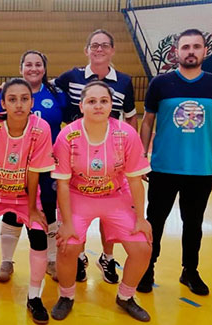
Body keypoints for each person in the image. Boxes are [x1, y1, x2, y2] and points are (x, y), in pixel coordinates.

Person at [51, 81, 152, 322]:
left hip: (115, 197)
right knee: (68, 246)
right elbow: (63, 184)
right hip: (78, 196)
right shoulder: (68, 135)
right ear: (81, 105)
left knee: (142, 247)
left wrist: (141, 218)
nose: (98, 106)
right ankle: (66, 296)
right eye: (92, 101)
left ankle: (126, 297)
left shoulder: (126, 133)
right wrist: (65, 223)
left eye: (104, 101)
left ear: (111, 105)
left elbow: (135, 180)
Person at [137, 29, 212, 295]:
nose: (190, 51)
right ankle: (147, 267)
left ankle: (190, 271)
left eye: (196, 46)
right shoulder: (161, 83)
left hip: (200, 169)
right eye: (185, 46)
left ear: (204, 51)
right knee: (155, 221)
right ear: (176, 51)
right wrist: (142, 156)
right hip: (163, 167)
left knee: (193, 222)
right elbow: (147, 121)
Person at [54, 29, 138, 285]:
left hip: (112, 153)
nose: (99, 49)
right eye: (94, 45)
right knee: (78, 210)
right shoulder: (71, 76)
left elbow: (131, 114)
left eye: (104, 45)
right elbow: (43, 90)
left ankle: (107, 257)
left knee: (110, 206)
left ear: (112, 50)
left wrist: (134, 150)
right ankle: (78, 259)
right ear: (86, 50)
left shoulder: (123, 81)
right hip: (77, 154)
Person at [0, 78, 55, 325]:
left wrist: (31, 209)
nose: (19, 104)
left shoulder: (42, 128)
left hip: (24, 195)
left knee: (39, 235)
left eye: (24, 99)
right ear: (3, 102)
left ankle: (34, 297)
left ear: (32, 102)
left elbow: (34, 171)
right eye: (12, 99)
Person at [0, 50, 67, 283]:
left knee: (49, 210)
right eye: (28, 64)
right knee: (13, 209)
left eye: (38, 64)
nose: (33, 68)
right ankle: (6, 260)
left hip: (48, 164)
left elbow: (71, 119)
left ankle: (51, 259)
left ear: (44, 68)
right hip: (14, 163)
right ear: (21, 68)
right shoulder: (7, 92)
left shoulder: (55, 93)